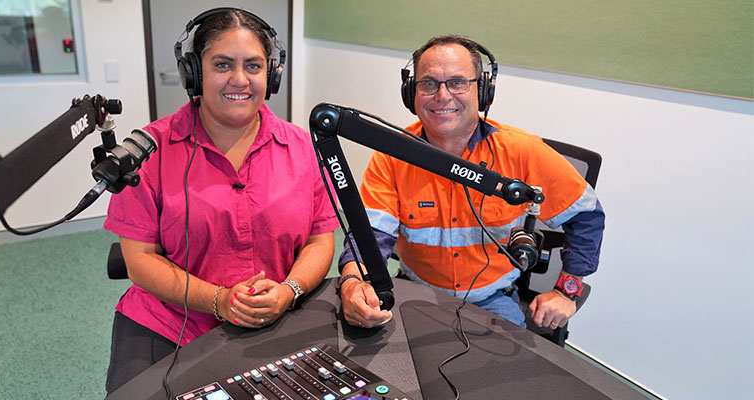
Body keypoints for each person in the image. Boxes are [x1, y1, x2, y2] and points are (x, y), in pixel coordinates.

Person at [103, 8, 338, 393]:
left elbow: (319, 239)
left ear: (272, 74)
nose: (240, 80)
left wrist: (289, 290)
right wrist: (218, 300)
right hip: (168, 323)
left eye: (254, 66)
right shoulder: (149, 149)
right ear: (193, 73)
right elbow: (139, 259)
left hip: (277, 317)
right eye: (223, 64)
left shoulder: (301, 147)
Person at [337, 35, 604, 330]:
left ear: (484, 91)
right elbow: (370, 234)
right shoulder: (392, 154)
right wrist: (352, 280)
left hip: (492, 299)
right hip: (416, 291)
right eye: (428, 83)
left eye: (457, 82)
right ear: (410, 92)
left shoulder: (522, 152)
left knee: (505, 374)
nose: (442, 95)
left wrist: (567, 290)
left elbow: (586, 215)